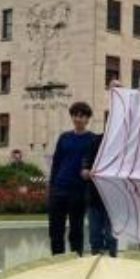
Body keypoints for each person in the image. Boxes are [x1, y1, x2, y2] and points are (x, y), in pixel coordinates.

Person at [48, 102, 96, 255]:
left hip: (78, 191)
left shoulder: (93, 139)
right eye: (75, 115)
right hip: (59, 189)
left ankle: (76, 260)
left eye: (81, 116)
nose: (77, 119)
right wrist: (52, 187)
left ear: (87, 119)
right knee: (56, 231)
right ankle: (57, 261)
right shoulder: (64, 137)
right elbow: (56, 162)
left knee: (76, 231)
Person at [81, 112, 118, 257]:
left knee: (111, 237)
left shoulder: (122, 145)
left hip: (113, 200)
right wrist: (85, 171)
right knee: (95, 237)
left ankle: (112, 265)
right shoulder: (95, 142)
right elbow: (86, 163)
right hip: (95, 198)